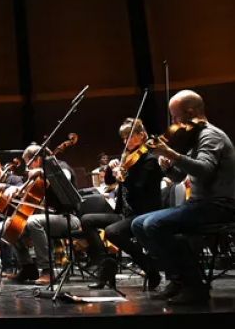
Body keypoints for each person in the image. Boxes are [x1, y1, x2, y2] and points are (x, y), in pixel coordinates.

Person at [132, 90, 235, 304]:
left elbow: (204, 170)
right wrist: (168, 166)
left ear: (190, 112)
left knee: (154, 224)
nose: (174, 122)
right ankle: (177, 278)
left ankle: (195, 287)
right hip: (199, 204)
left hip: (219, 205)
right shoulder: (193, 137)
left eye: (176, 116)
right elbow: (179, 176)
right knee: (139, 224)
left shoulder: (210, 136)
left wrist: (171, 154)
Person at [80, 118, 162, 290]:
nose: (126, 141)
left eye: (130, 137)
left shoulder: (150, 160)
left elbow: (139, 188)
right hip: (124, 213)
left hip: (142, 214)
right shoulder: (128, 158)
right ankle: (105, 263)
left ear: (142, 135)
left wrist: (124, 176)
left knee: (112, 231)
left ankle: (148, 266)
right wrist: (111, 169)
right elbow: (110, 182)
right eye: (124, 138)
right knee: (86, 220)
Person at [2, 144, 79, 285]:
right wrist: (14, 189)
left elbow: (64, 177)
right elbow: (28, 190)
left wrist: (41, 170)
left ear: (37, 160)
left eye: (28, 164)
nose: (27, 169)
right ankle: (28, 268)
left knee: (32, 221)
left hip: (68, 217)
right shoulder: (37, 174)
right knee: (11, 225)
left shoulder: (60, 165)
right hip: (50, 217)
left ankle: (47, 270)